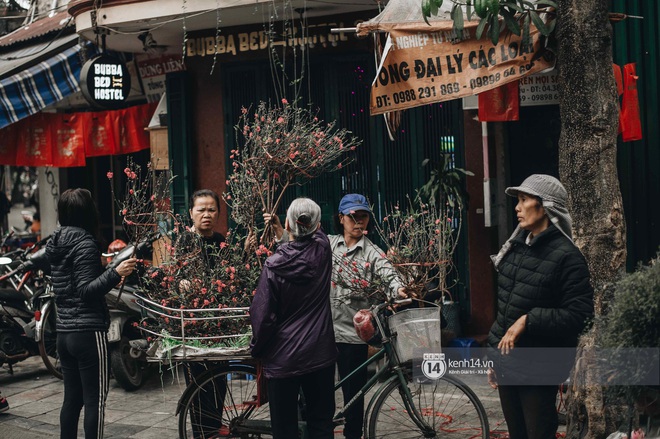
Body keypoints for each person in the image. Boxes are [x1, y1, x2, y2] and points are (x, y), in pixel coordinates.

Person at [265, 193, 405, 439]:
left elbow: (389, 273)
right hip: (323, 335)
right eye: (353, 217)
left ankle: (352, 435)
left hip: (353, 337)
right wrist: (280, 230)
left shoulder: (372, 253)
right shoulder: (326, 244)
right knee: (317, 397)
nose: (359, 222)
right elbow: (297, 242)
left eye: (363, 216)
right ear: (341, 219)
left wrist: (400, 288)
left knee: (354, 398)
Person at [487, 174, 594, 439]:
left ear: (545, 206)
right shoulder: (516, 249)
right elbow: (506, 308)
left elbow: (579, 316)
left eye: (524, 200)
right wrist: (494, 356)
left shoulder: (568, 258)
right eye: (518, 200)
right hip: (509, 365)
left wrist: (528, 320)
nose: (517, 207)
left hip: (540, 366)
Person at [45, 188, 137, 439]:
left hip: (64, 333)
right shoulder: (84, 243)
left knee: (72, 401)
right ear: (89, 212)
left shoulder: (56, 242)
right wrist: (116, 272)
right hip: (87, 332)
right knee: (95, 400)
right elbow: (86, 290)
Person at [251, 197, 337, 439]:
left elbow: (264, 317)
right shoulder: (323, 248)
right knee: (321, 424)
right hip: (320, 354)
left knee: (285, 429)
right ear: (317, 226)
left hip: (283, 360)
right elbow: (313, 231)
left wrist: (257, 349)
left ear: (287, 225)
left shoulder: (273, 265)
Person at [176, 189, 227, 438]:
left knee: (219, 385)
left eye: (211, 210)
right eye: (201, 210)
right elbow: (176, 281)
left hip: (218, 325)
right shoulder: (184, 242)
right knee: (198, 390)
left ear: (217, 214)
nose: (206, 214)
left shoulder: (221, 241)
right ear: (191, 213)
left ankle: (215, 432)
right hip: (195, 327)